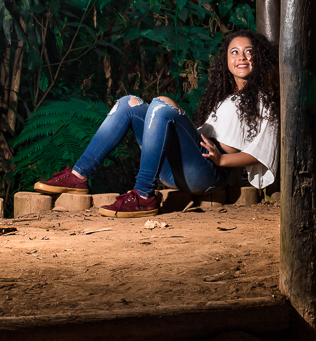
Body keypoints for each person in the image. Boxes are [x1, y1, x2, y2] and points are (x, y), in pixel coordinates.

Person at [34, 29, 279, 218]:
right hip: (183, 167)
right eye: (234, 52)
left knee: (162, 105)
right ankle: (79, 174)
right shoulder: (226, 97)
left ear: (259, 56)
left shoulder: (264, 98)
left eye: (249, 51)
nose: (242, 57)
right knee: (128, 103)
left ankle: (143, 193)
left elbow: (262, 151)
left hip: (208, 173)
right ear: (226, 60)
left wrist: (222, 160)